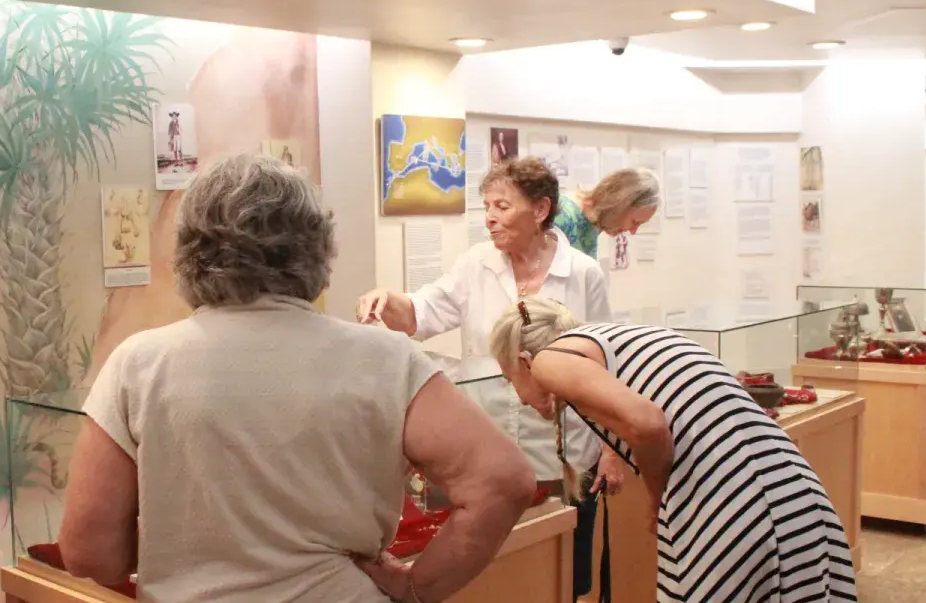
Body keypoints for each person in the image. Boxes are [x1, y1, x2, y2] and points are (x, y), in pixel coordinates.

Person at [61, 154, 536, 603]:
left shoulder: (139, 363)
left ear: (191, 250)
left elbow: (88, 554)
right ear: (316, 246)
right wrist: (417, 587)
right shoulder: (383, 357)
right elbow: (503, 482)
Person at [354, 156, 623, 600]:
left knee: (564, 570)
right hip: (489, 448)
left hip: (564, 451)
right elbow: (423, 311)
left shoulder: (583, 273)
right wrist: (388, 299)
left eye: (502, 206)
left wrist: (611, 447)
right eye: (486, 207)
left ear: (539, 210)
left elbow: (605, 362)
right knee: (499, 571)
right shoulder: (477, 263)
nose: (491, 219)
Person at [490, 297, 859, 602]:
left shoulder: (550, 361)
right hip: (795, 489)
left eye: (511, 381)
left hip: (733, 500)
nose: (520, 399)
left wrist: (656, 496)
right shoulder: (620, 338)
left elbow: (648, 424)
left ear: (525, 361)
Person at [553, 167, 660, 259]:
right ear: (620, 204)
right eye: (635, 222)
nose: (633, 231)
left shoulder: (594, 222)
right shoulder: (562, 216)